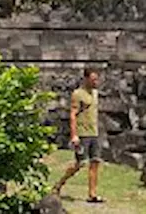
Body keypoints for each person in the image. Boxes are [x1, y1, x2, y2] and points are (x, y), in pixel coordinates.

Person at [52, 67, 105, 203]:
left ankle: (92, 194)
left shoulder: (95, 93)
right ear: (86, 78)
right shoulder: (77, 94)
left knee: (95, 162)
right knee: (80, 163)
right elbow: (73, 115)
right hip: (83, 133)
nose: (96, 82)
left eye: (96, 79)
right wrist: (74, 135)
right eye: (93, 79)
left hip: (94, 132)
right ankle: (59, 184)